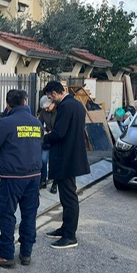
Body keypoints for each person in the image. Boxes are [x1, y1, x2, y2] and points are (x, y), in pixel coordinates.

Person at [0, 89, 43, 268]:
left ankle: (6, 254)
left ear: (8, 105)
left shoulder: (7, 123)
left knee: (6, 214)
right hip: (34, 176)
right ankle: (26, 253)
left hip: (12, 177)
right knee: (29, 215)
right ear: (25, 102)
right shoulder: (36, 122)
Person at [43, 81, 90, 249]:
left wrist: (44, 138)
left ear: (55, 93)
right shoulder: (76, 104)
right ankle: (65, 228)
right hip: (73, 155)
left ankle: (70, 236)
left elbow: (59, 133)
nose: (50, 100)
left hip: (66, 157)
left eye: (50, 97)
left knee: (69, 198)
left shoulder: (65, 106)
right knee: (67, 196)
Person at [37, 94, 57, 193]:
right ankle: (43, 179)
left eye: (47, 107)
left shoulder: (59, 111)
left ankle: (55, 183)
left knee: (55, 162)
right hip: (47, 139)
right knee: (43, 159)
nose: (45, 110)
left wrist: (54, 132)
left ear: (52, 104)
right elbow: (38, 124)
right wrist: (44, 131)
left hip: (56, 139)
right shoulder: (44, 112)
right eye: (44, 108)